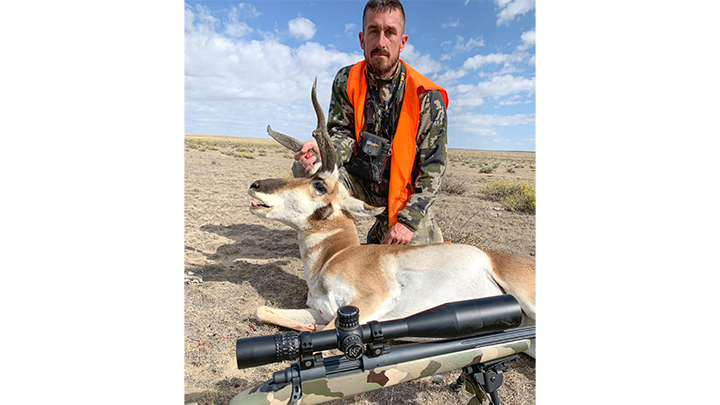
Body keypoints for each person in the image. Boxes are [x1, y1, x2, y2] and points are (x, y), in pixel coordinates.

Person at [293, 0, 448, 246]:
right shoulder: (347, 79)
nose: (381, 42)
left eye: (390, 32)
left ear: (403, 42)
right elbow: (342, 134)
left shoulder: (426, 96)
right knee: (309, 171)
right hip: (358, 184)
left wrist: (407, 223)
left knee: (421, 260)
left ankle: (383, 231)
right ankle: (329, 251)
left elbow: (432, 167)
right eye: (373, 31)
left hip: (402, 197)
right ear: (362, 39)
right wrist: (323, 151)